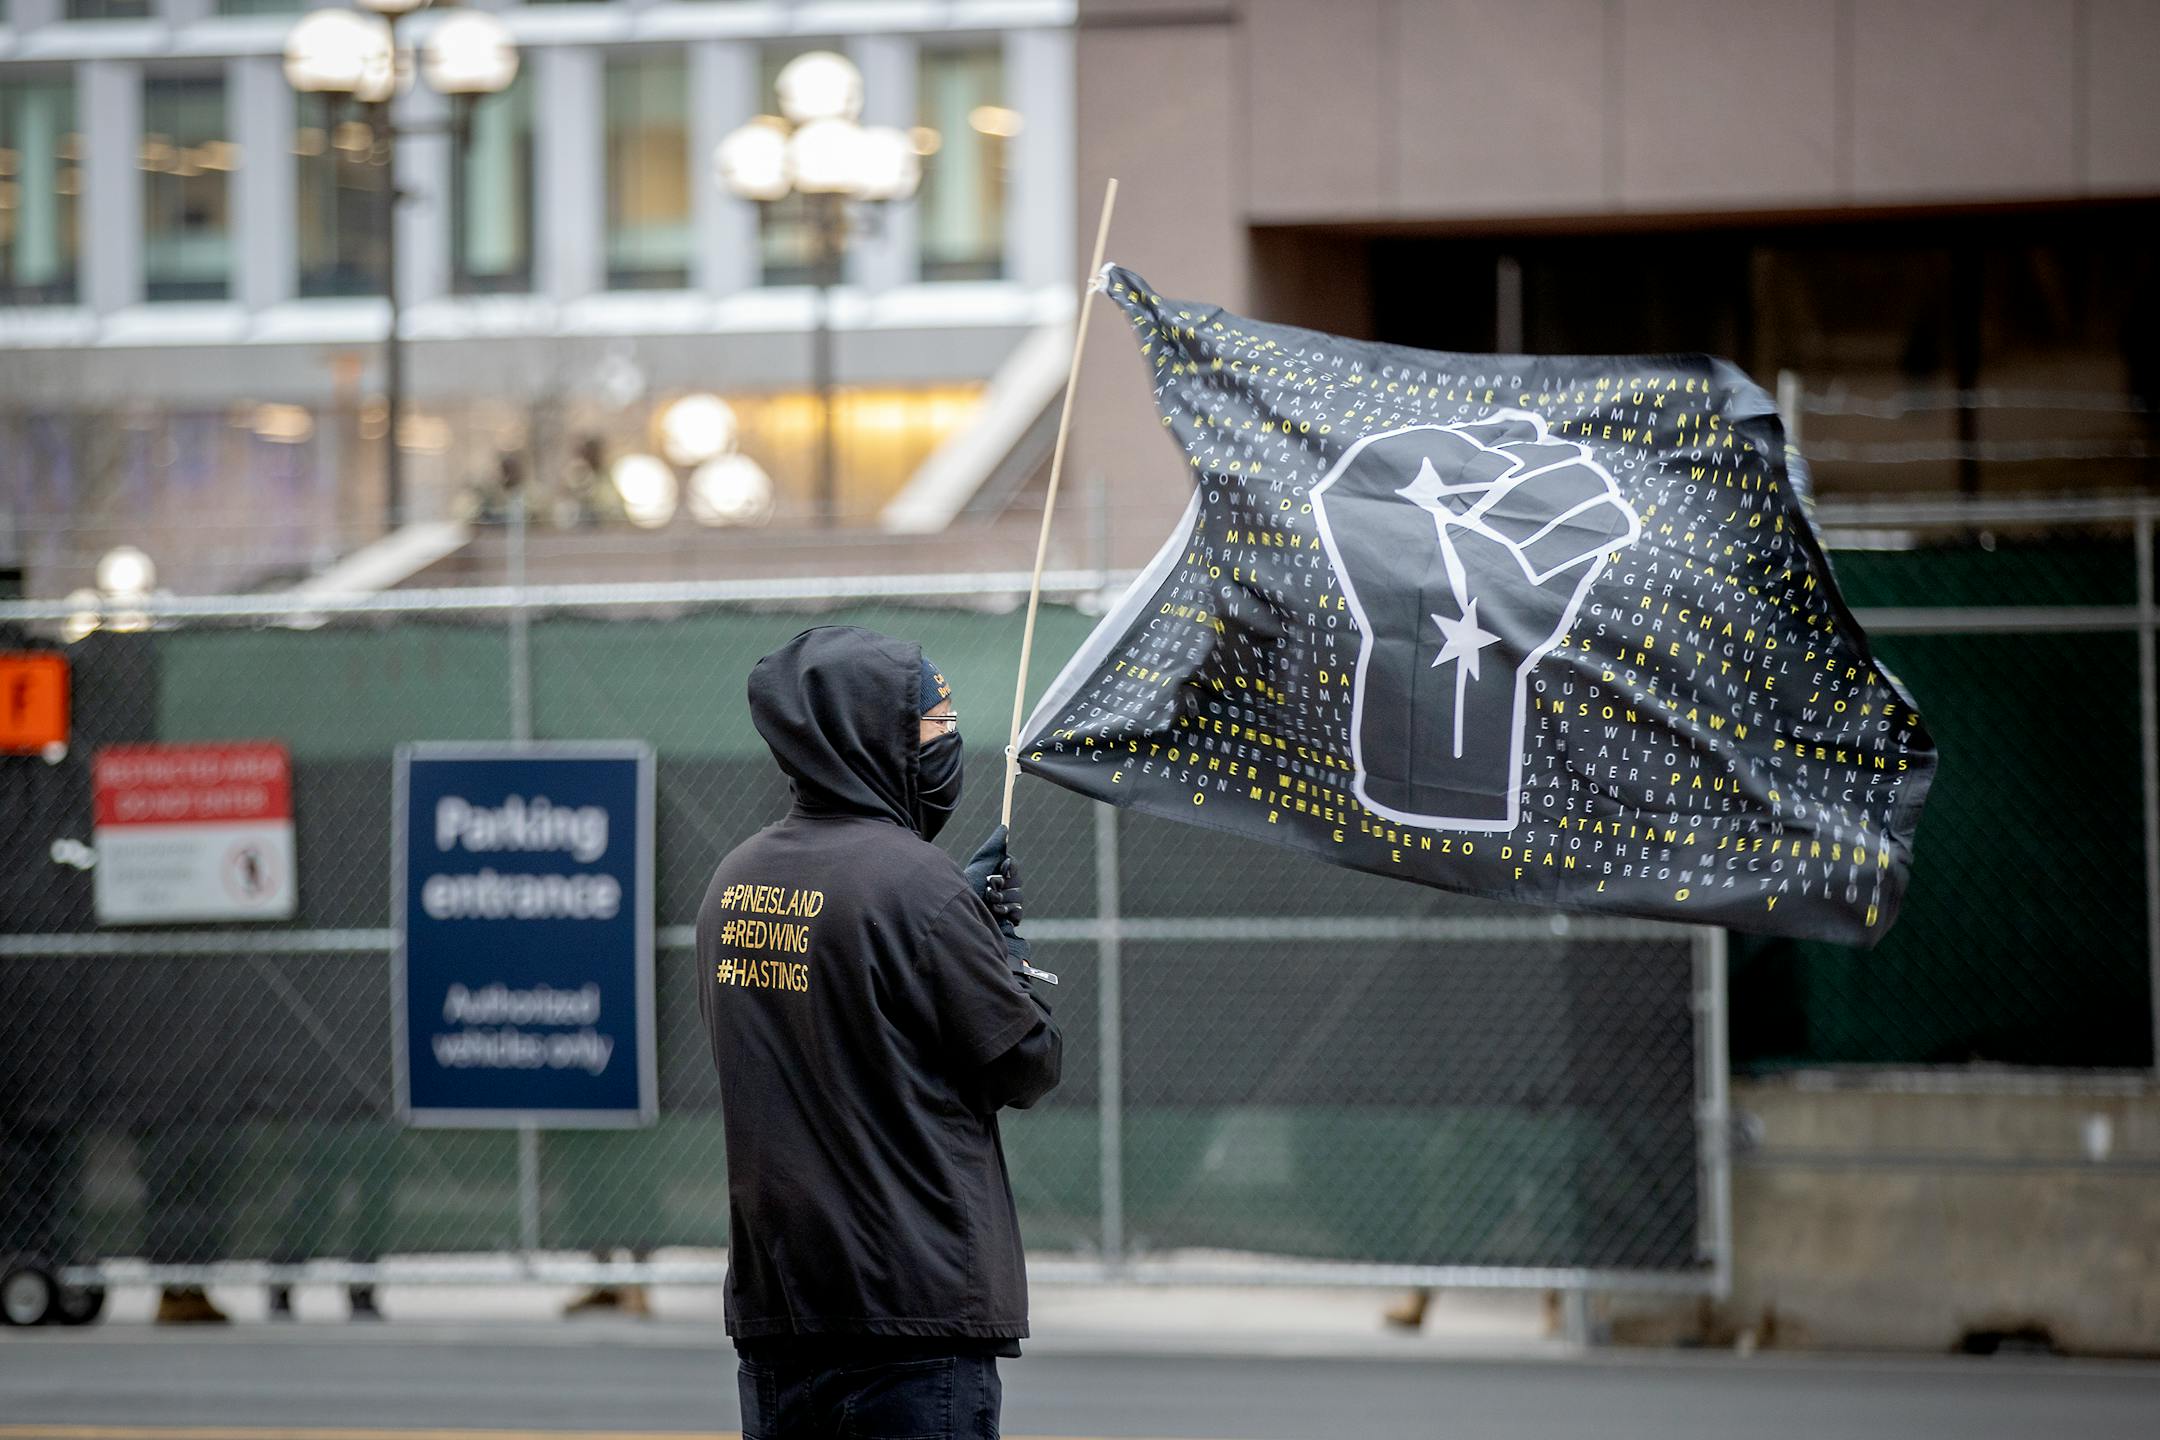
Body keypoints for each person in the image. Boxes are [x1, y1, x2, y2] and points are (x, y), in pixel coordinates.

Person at [697, 627, 1060, 1440]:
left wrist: (952, 928)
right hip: (912, 1313)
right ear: (869, 731)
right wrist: (1003, 955)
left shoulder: (734, 881)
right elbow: (1026, 1063)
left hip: (780, 1310)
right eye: (935, 722)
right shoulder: (919, 888)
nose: (951, 740)